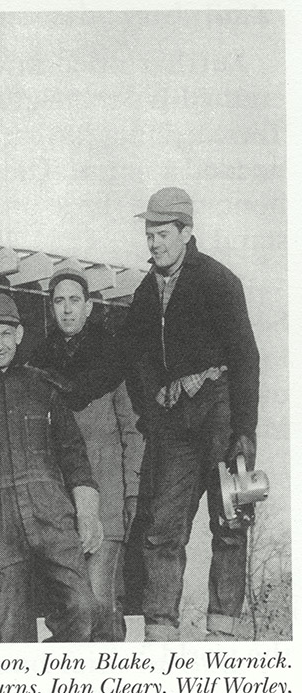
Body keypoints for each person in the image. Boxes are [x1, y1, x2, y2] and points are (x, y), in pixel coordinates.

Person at [120, 187, 260, 642]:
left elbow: (246, 357)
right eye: (149, 234)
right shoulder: (145, 293)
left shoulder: (220, 281)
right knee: (162, 527)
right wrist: (151, 410)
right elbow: (136, 361)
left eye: (162, 234)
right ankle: (161, 634)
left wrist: (244, 431)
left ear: (186, 232)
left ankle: (222, 636)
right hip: (175, 425)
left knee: (230, 522)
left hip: (219, 413)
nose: (154, 244)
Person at [0, 293, 101, 643]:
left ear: (19, 334)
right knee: (8, 633)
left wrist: (88, 513)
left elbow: (74, 457)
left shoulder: (45, 386)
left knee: (83, 608)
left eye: (6, 334)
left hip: (51, 514)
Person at [30, 267, 144, 642]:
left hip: (106, 503)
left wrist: (132, 495)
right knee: (69, 608)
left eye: (74, 301)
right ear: (51, 308)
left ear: (89, 306)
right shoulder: (38, 364)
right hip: (60, 506)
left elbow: (132, 432)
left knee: (99, 599)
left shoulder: (113, 358)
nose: (67, 310)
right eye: (59, 301)